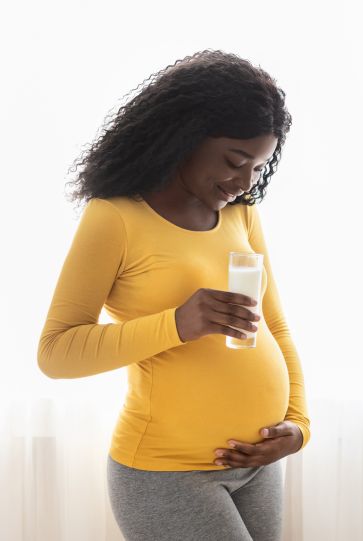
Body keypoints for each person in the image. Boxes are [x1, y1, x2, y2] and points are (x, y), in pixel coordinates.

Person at [37, 49, 310, 540]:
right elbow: (57, 352)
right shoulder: (115, 217)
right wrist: (177, 324)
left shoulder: (240, 215)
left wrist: (297, 426)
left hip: (258, 463)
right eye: (234, 161)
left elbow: (276, 327)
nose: (245, 181)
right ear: (185, 136)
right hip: (169, 472)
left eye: (258, 166)